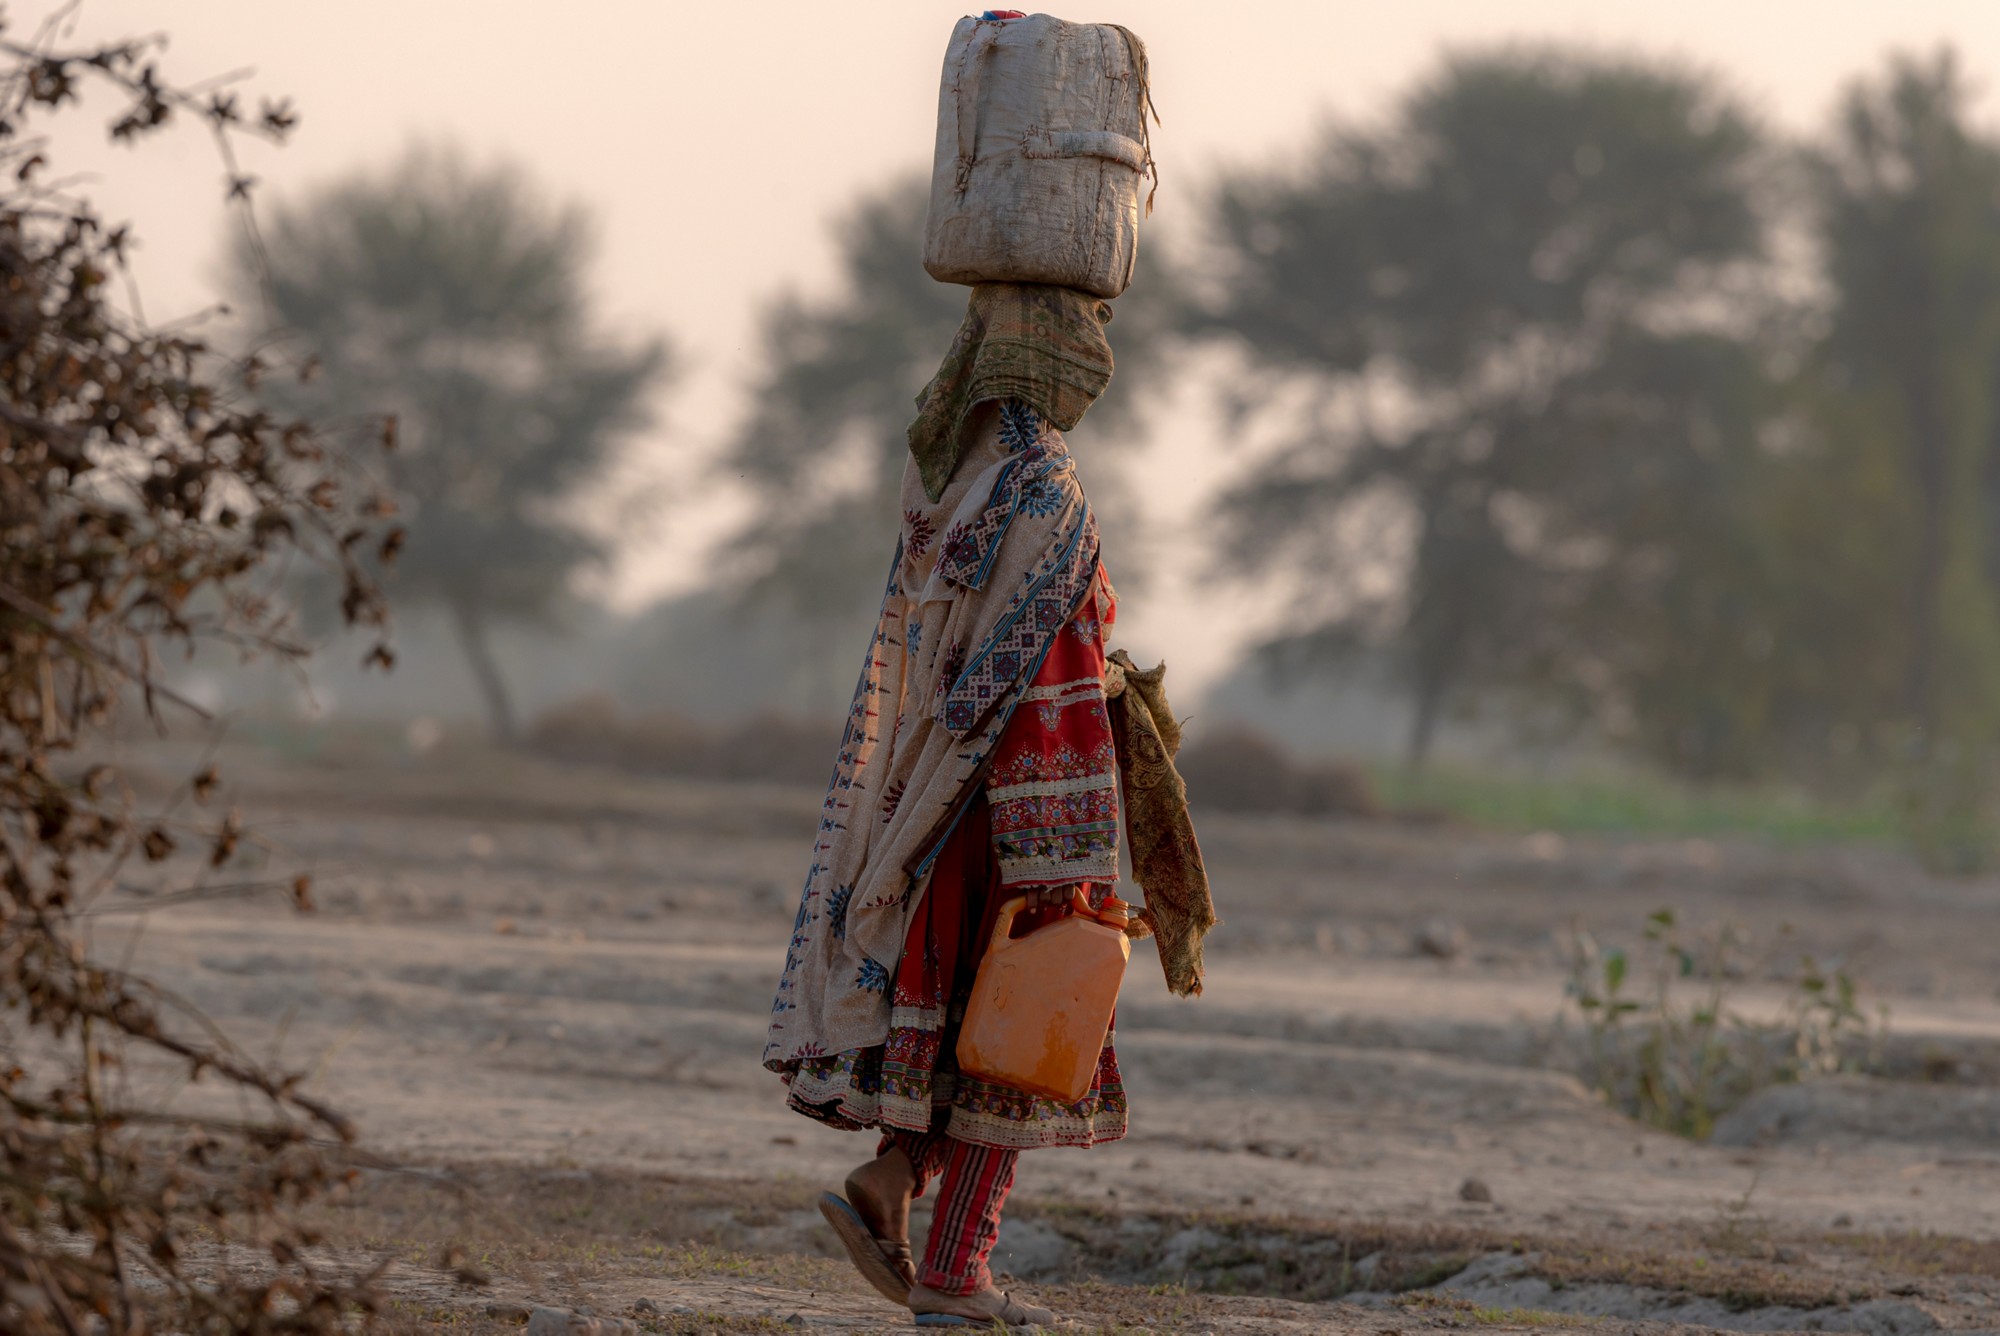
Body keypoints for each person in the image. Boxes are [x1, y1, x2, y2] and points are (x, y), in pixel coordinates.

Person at [763, 281, 1165, 1328]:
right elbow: (1049, 674)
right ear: (1044, 364)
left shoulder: (949, 477)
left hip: (933, 801)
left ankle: (893, 1181)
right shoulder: (1046, 493)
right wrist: (1067, 856)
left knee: (956, 1031)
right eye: (1081, 341)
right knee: (1029, 1033)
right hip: (1019, 815)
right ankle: (957, 1271)